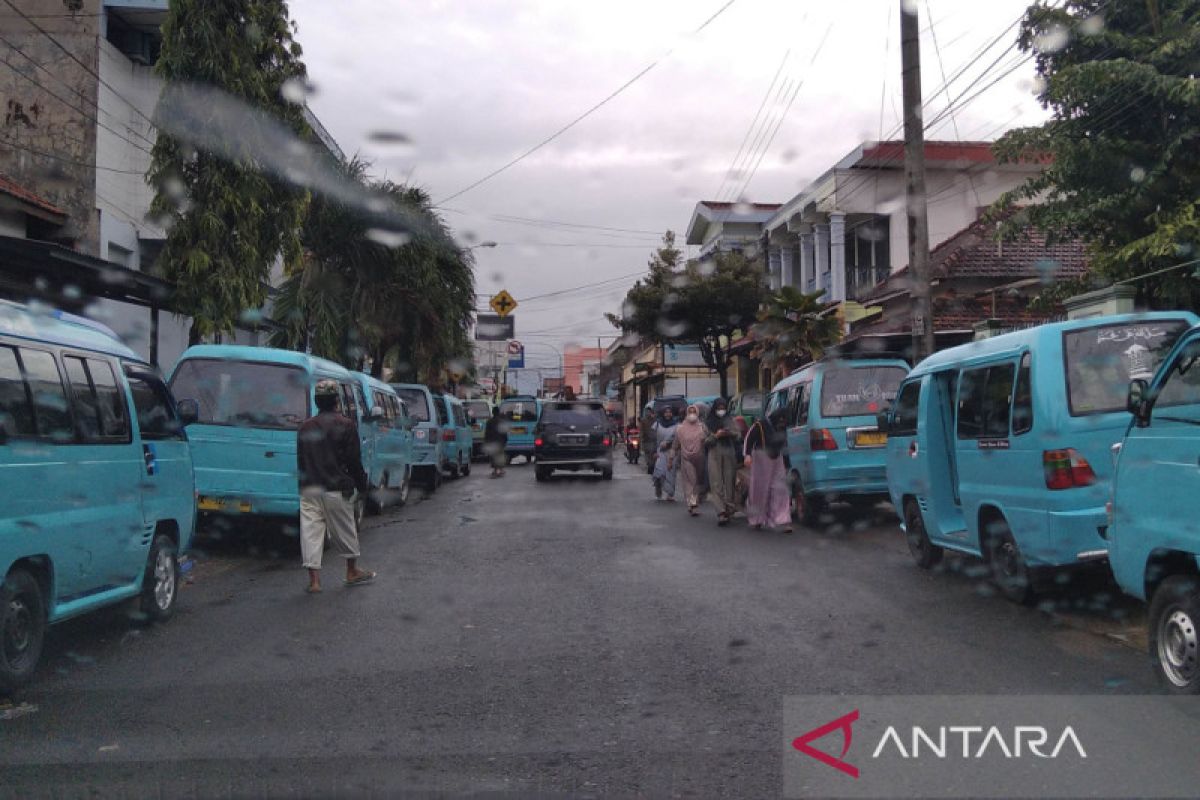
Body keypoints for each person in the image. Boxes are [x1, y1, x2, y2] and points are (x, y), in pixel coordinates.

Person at [297, 380, 375, 594]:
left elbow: (301, 461)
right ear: (336, 401)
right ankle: (351, 571)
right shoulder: (347, 425)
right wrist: (362, 485)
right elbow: (353, 460)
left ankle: (314, 582)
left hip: (309, 488)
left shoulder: (305, 426)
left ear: (316, 401)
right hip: (337, 488)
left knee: (310, 533)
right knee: (346, 530)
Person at [743, 407, 793, 532]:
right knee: (759, 490)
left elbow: (785, 445)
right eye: (781, 419)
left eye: (784, 420)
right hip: (761, 458)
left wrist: (787, 464)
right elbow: (749, 439)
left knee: (780, 489)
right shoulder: (760, 424)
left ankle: (782, 519)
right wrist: (747, 455)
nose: (782, 422)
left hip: (777, 458)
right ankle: (757, 519)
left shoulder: (782, 427)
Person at [704, 397, 741, 526]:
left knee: (730, 481)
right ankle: (721, 512)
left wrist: (730, 433)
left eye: (723, 408)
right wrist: (716, 436)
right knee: (716, 483)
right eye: (719, 408)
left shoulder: (730, 420)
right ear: (714, 409)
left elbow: (738, 435)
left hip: (729, 453)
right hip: (714, 454)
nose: (721, 411)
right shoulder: (708, 423)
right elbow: (704, 441)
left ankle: (729, 508)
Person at [672, 403, 708, 516]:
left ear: (697, 413)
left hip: (700, 458)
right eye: (690, 412)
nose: (692, 414)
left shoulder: (702, 427)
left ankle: (695, 501)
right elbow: (675, 444)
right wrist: (671, 458)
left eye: (694, 412)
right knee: (690, 482)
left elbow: (708, 440)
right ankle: (692, 504)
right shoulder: (680, 429)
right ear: (686, 414)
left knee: (697, 481)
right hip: (686, 458)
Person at [652, 406, 679, 501]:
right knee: (659, 472)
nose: (668, 414)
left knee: (671, 473)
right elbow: (653, 439)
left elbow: (678, 438)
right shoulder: (657, 424)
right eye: (666, 412)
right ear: (663, 413)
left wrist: (668, 443)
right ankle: (658, 487)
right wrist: (654, 451)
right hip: (660, 452)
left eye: (670, 412)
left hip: (672, 451)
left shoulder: (677, 425)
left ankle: (670, 494)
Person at [484, 405, 508, 477]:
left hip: (492, 441)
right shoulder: (502, 421)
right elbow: (504, 433)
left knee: (493, 456)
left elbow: (487, 433)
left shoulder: (489, 422)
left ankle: (495, 470)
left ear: (493, 412)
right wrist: (505, 441)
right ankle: (500, 470)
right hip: (500, 441)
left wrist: (486, 441)